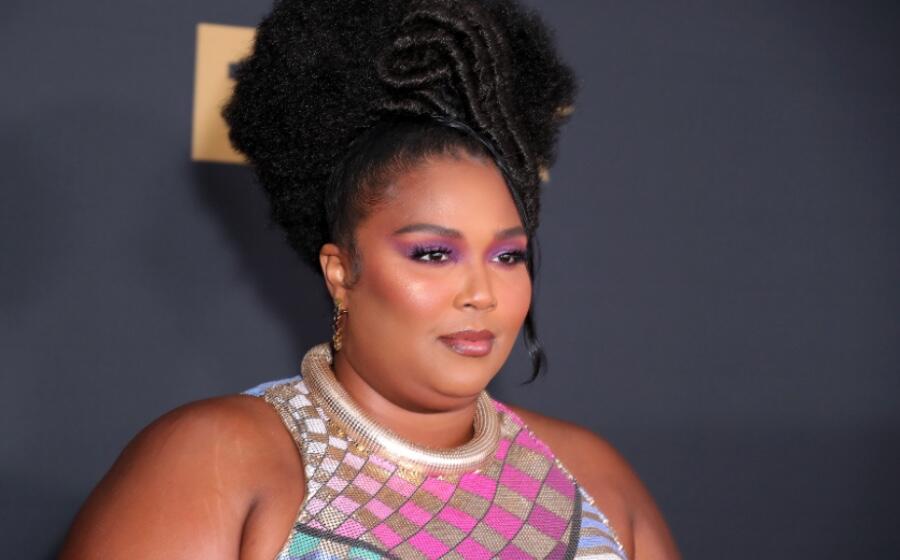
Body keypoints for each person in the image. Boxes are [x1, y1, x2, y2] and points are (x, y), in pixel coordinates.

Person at [60, 0, 680, 558]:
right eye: (433, 254)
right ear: (341, 272)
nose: (482, 294)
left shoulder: (593, 479)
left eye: (508, 257)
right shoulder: (217, 460)